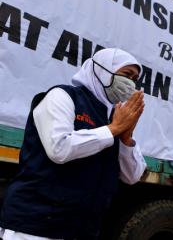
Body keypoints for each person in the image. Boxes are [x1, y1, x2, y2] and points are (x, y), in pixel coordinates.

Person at [0, 48, 147, 240]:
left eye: (135, 79)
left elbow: (132, 176)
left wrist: (126, 139)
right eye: (126, 75)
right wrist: (113, 129)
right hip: (34, 227)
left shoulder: (113, 117)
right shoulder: (62, 96)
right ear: (101, 70)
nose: (130, 84)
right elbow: (59, 148)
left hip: (79, 230)